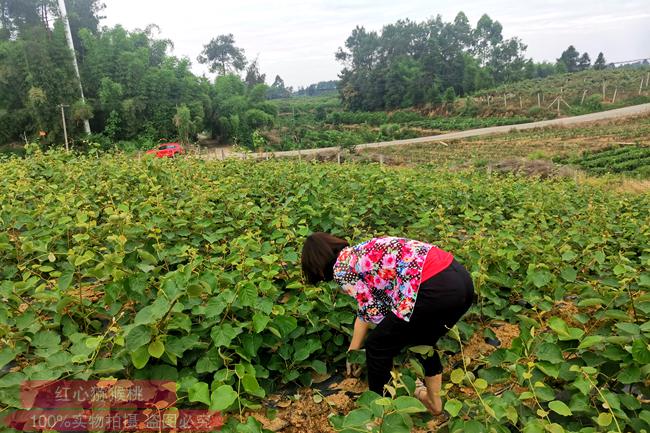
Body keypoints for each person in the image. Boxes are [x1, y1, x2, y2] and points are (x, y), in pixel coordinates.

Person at [301, 232, 474, 416]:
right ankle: (434, 402)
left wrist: (373, 353)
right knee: (422, 340)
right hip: (459, 279)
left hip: (433, 286)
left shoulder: (340, 269)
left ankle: (378, 414)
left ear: (317, 266)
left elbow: (373, 311)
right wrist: (353, 351)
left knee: (377, 346)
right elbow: (366, 310)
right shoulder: (358, 252)